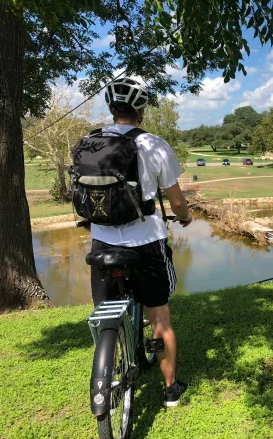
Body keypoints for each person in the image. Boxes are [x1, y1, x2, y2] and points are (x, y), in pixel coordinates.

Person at [86, 77, 192, 407]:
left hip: (102, 242)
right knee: (160, 318)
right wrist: (185, 216)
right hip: (146, 243)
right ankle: (171, 390)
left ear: (110, 108)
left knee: (105, 314)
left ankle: (109, 361)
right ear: (141, 110)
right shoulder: (155, 145)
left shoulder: (90, 142)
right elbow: (176, 202)